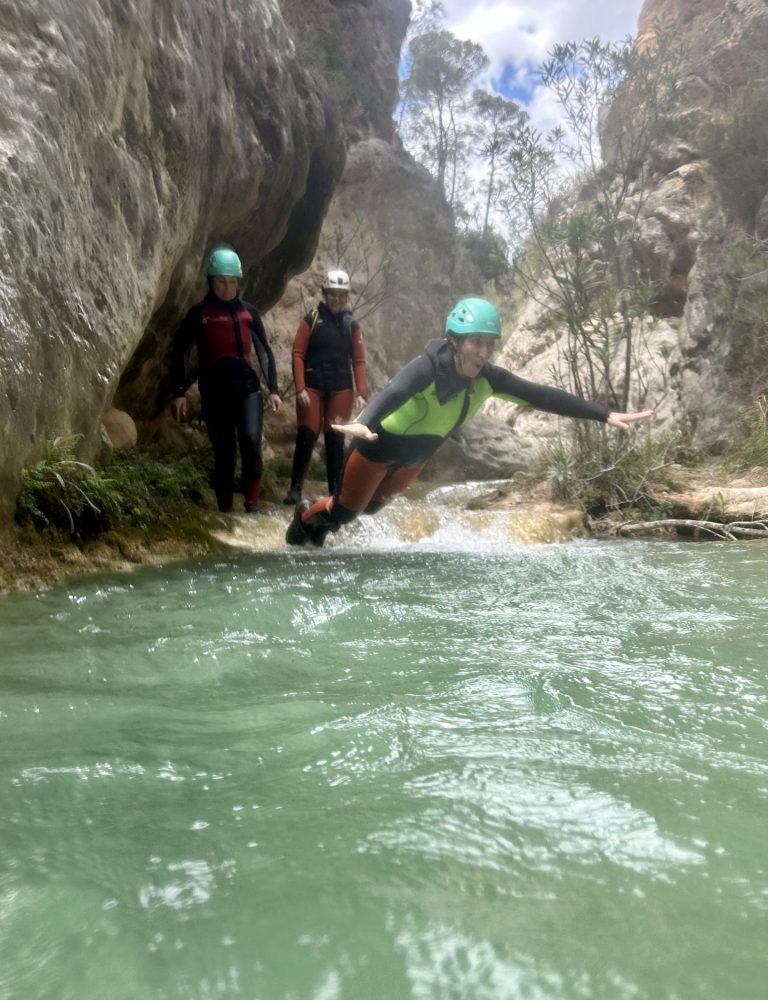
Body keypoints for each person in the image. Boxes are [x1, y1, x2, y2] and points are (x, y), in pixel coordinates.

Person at [286, 296, 654, 546]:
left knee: (371, 509)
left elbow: (541, 395)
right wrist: (363, 421)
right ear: (455, 340)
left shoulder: (489, 379)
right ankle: (304, 522)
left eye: (488, 343)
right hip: (377, 445)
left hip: (416, 458)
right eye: (475, 342)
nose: (483, 351)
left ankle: (321, 525)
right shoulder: (427, 367)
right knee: (347, 511)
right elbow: (394, 393)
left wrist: (604, 414)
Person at [169, 247, 282, 513]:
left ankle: (252, 505)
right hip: (215, 392)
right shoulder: (200, 313)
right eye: (221, 281)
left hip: (248, 389)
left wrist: (274, 390)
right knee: (225, 452)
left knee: (251, 439)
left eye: (232, 281)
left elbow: (264, 352)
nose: (226, 287)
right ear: (211, 280)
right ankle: (226, 510)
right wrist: (179, 391)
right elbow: (179, 352)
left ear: (238, 282)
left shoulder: (249, 313)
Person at [283, 269, 368, 505]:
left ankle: (334, 494)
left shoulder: (352, 325)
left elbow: (359, 361)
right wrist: (300, 388)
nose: (337, 299)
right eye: (333, 294)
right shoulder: (311, 319)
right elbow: (298, 354)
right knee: (306, 436)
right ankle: (294, 490)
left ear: (346, 296)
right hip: (312, 387)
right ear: (325, 293)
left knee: (335, 441)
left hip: (341, 389)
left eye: (341, 295)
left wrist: (362, 393)